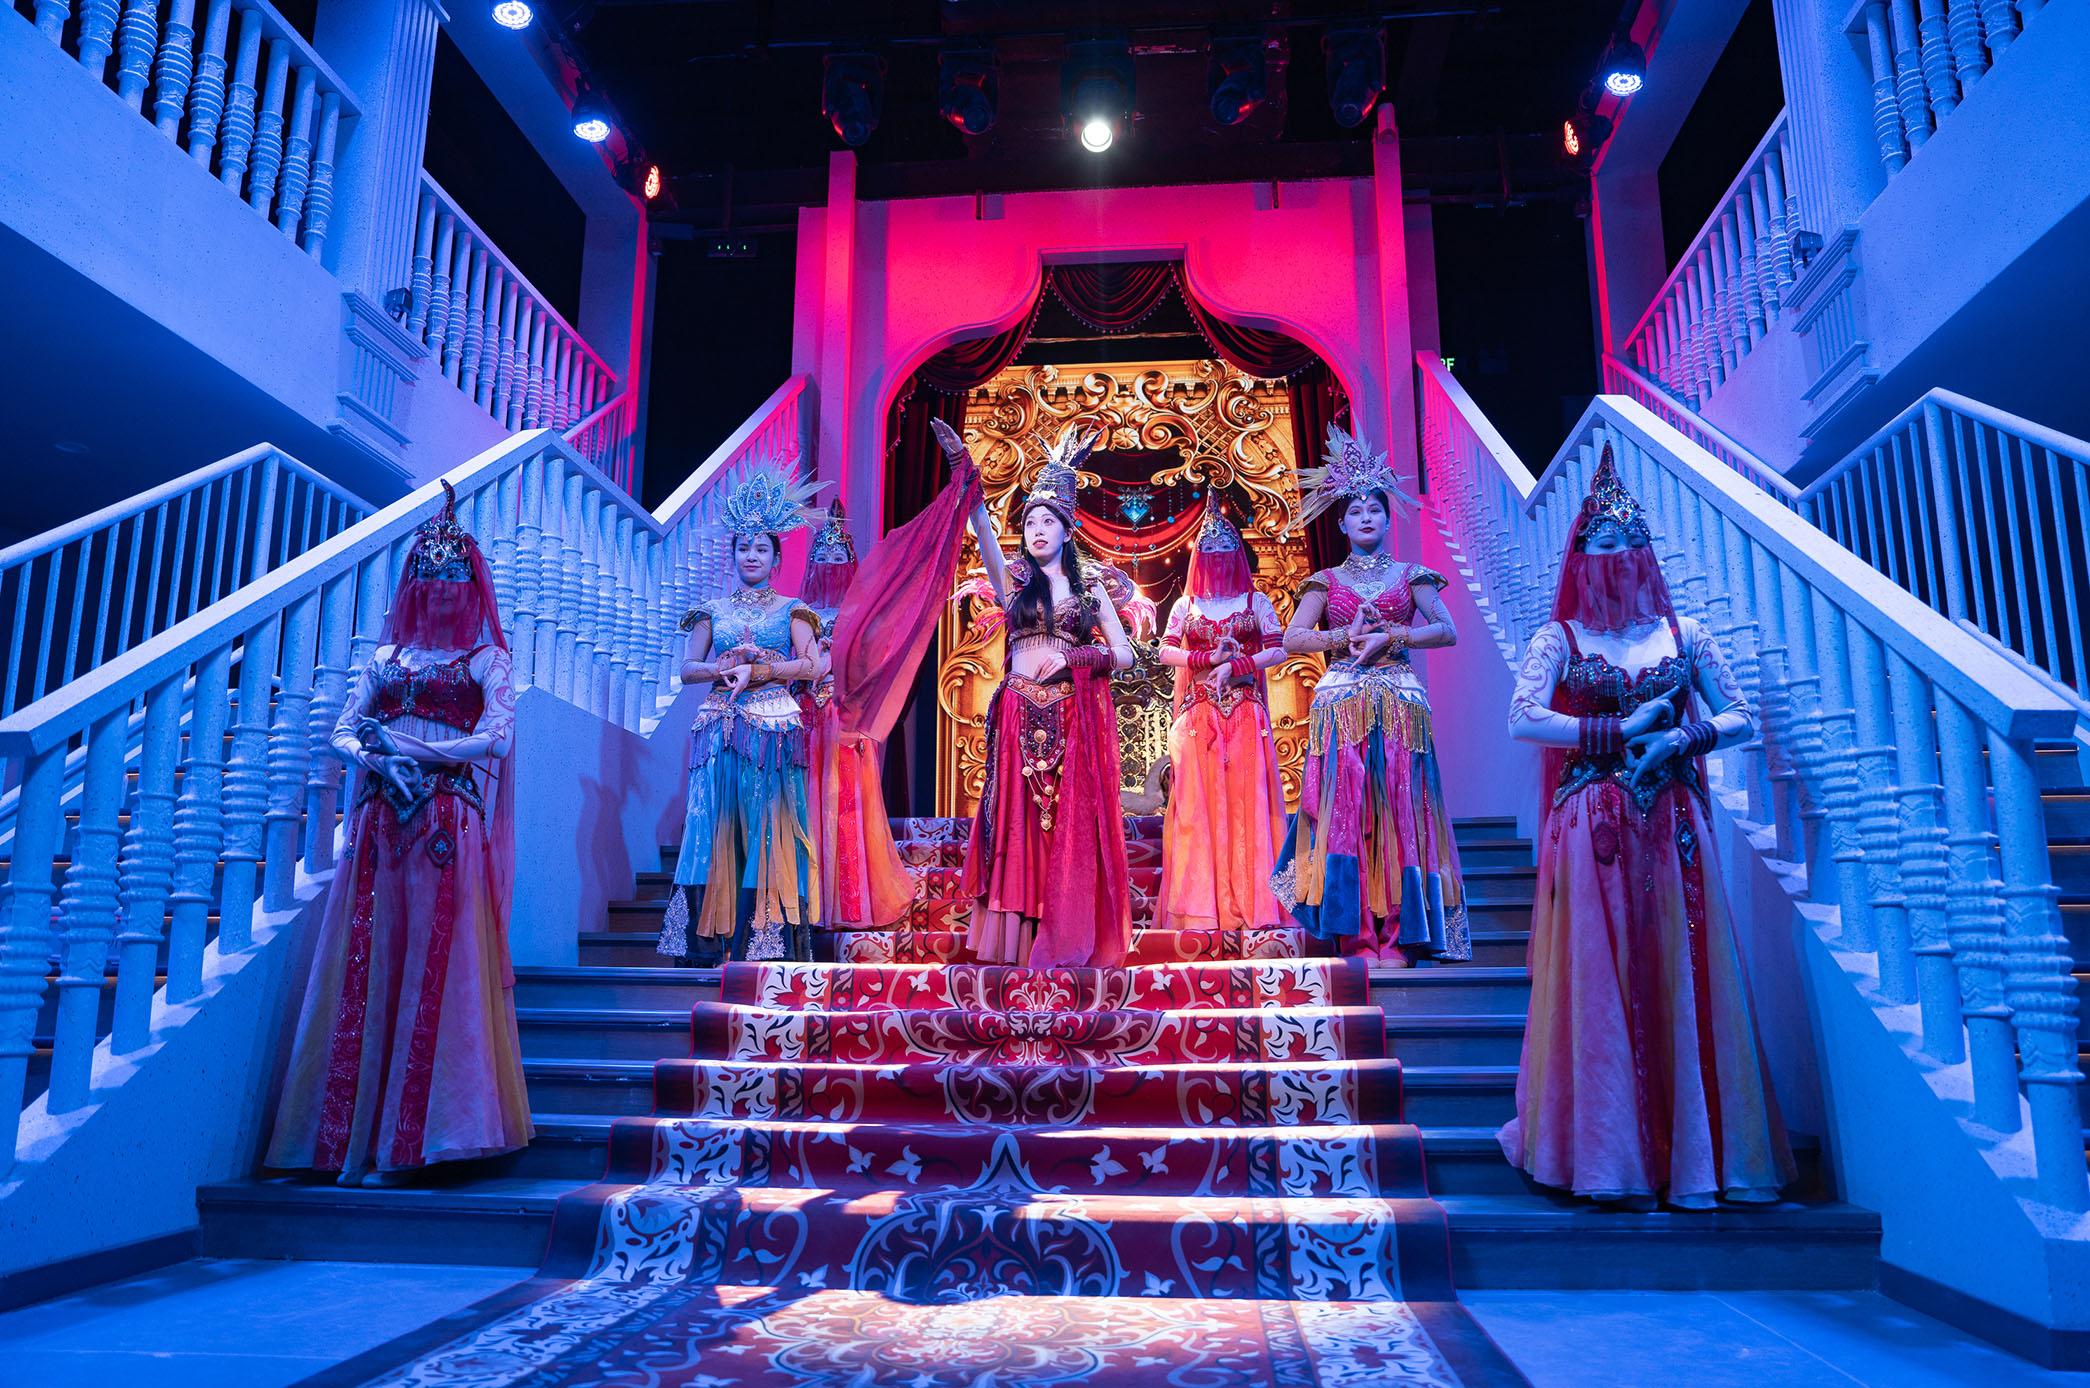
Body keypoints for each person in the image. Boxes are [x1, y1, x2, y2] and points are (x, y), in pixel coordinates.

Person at [1500, 445, 1794, 1208]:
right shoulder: (1558, 639)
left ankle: (1700, 1160)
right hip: (1591, 819)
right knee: (1599, 977)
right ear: (1580, 555)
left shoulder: (1685, 634)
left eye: (1632, 542)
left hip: (1673, 818)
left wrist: (1683, 738)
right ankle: (1609, 1159)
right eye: (1604, 543)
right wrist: (1619, 730)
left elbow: (1738, 715)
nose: (1620, 556)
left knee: (1684, 964)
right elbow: (1523, 718)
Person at [267, 482, 530, 1186]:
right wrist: (375, 758)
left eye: (453, 581)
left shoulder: (488, 661)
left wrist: (414, 752)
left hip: (446, 821)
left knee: (436, 964)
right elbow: (343, 730)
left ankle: (421, 1140)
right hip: (383, 821)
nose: (440, 593)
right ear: (414, 585)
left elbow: (497, 739)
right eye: (429, 579)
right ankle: (347, 1141)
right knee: (368, 961)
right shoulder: (385, 659)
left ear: (470, 587)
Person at [934, 417, 1138, 969]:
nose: (1037, 530)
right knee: (1018, 824)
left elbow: (1125, 655)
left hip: (1069, 717)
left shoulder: (1091, 588)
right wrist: (964, 471)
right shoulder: (1014, 583)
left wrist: (1075, 657)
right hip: (1017, 713)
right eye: (1030, 522)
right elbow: (981, 528)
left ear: (1068, 530)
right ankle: (1018, 936)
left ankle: (1062, 927)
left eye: (1048, 521)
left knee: (1064, 826)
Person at [1272, 424, 1470, 965]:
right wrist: (1346, 636)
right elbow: (1293, 639)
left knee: (1400, 812)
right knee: (1347, 814)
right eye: (1355, 510)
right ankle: (1356, 934)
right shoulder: (1325, 580)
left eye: (1375, 509)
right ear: (1340, 522)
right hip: (1341, 704)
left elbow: (1447, 630)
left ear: (1387, 518)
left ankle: (1400, 934)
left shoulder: (1412, 575)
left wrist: (1392, 636)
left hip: (1400, 704)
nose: (1365, 516)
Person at [657, 466, 823, 965]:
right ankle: (704, 943)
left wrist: (762, 669)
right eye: (744, 548)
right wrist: (722, 667)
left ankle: (765, 941)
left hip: (772, 727)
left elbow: (812, 666)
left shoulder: (793, 609)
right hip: (717, 725)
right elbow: (687, 669)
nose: (752, 556)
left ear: (776, 558)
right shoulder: (713, 610)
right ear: (732, 554)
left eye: (761, 549)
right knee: (710, 824)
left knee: (767, 824)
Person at [1154, 491, 1289, 932]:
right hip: (1199, 716)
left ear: (1237, 552)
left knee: (1249, 805)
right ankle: (1203, 907)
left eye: (1224, 547)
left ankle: (1254, 903)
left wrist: (1237, 665)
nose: (1215, 556)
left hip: (1246, 713)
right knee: (1198, 809)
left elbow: (1279, 650)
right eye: (1207, 548)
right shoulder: (1185, 606)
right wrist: (1207, 660)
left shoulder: (1256, 602)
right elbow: (1165, 652)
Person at [798, 501, 912, 934]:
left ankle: (846, 902)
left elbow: (873, 667)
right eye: (824, 554)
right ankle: (804, 902)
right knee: (807, 806)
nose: (831, 562)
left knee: (845, 807)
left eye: (838, 554)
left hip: (845, 719)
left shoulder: (861, 618)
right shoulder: (800, 615)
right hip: (806, 719)